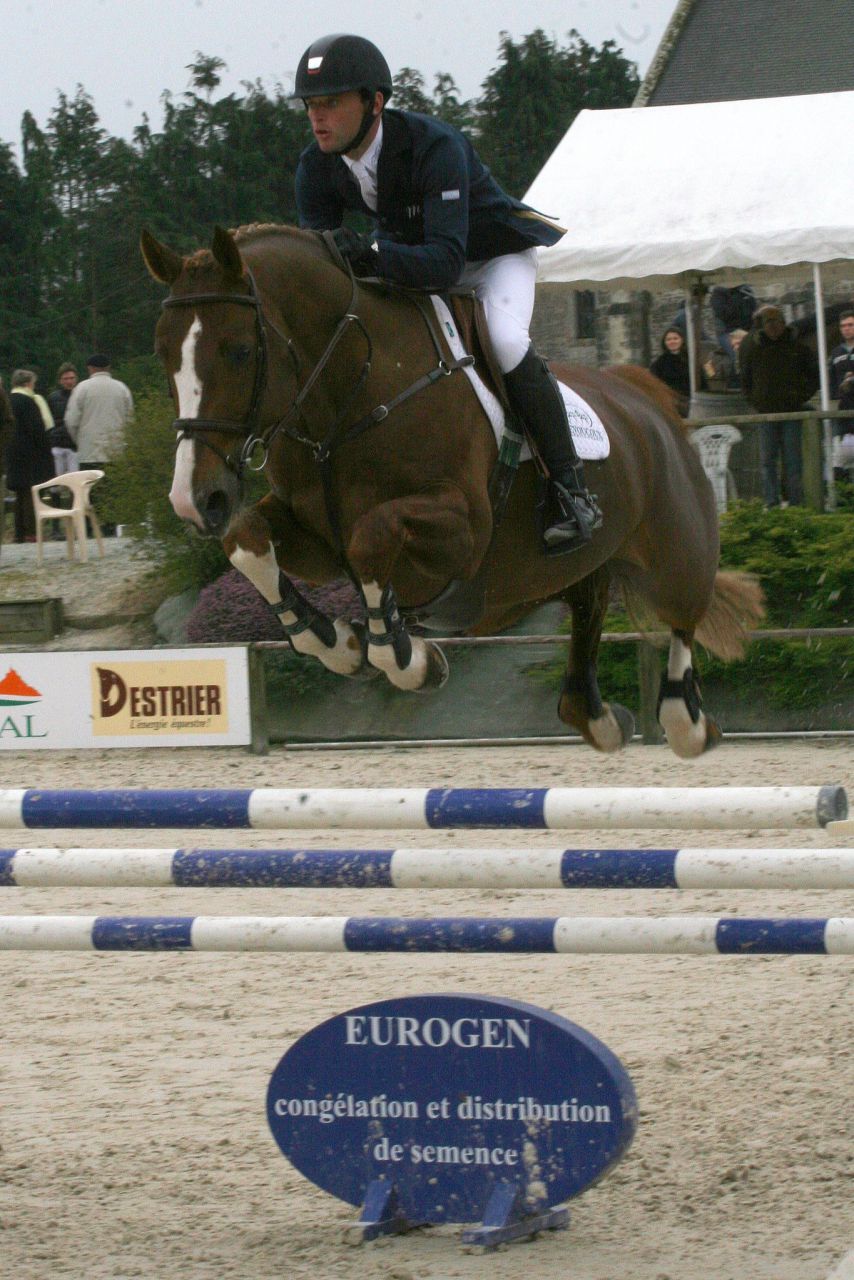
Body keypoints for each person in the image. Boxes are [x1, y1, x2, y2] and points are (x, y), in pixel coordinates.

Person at [291, 32, 602, 554]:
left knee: (504, 341)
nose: (317, 117)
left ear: (374, 103)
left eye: (331, 103)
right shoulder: (315, 167)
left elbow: (445, 263)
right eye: (310, 106)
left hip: (489, 259)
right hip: (413, 261)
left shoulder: (434, 146)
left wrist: (371, 255)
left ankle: (571, 490)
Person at [738, 305, 819, 507]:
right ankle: (771, 502)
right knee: (768, 461)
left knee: (793, 461)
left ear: (783, 324)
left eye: (777, 323)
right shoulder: (754, 349)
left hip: (791, 411)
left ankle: (795, 502)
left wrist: (799, 398)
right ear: (763, 326)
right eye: (769, 324)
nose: (773, 328)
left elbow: (813, 376)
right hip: (766, 413)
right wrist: (756, 401)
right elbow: (745, 379)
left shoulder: (797, 348)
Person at [64, 353, 133, 534]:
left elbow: (71, 420)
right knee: (111, 493)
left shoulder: (82, 388)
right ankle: (110, 529)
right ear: (108, 368)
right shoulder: (122, 388)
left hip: (89, 451)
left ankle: (89, 531)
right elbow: (130, 420)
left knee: (89, 494)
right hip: (115, 451)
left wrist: (78, 440)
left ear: (90, 368)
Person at [7, 369, 55, 542]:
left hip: (12, 453)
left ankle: (19, 534)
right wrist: (46, 449)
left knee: (19, 495)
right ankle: (32, 532)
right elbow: (37, 430)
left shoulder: (8, 401)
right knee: (31, 493)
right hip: (31, 455)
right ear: (28, 383)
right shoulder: (28, 402)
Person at [649, 327, 694, 414]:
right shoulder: (659, 363)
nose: (672, 342)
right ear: (665, 342)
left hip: (691, 401)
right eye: (668, 339)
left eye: (675, 338)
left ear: (682, 340)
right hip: (670, 403)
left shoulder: (692, 360)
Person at [46, 362, 80, 476]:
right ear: (60, 381)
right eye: (65, 379)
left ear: (76, 379)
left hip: (75, 446)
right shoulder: (53, 398)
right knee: (56, 479)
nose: (69, 382)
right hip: (57, 443)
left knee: (75, 479)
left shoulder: (81, 396)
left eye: (71, 378)